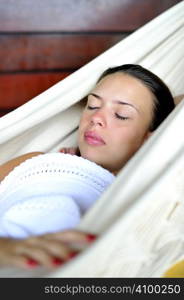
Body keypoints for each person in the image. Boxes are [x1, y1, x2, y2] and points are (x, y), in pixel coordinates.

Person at [0, 64, 175, 270]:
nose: (96, 119)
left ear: (150, 137)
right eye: (92, 106)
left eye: (121, 114)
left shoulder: (141, 192)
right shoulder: (34, 163)